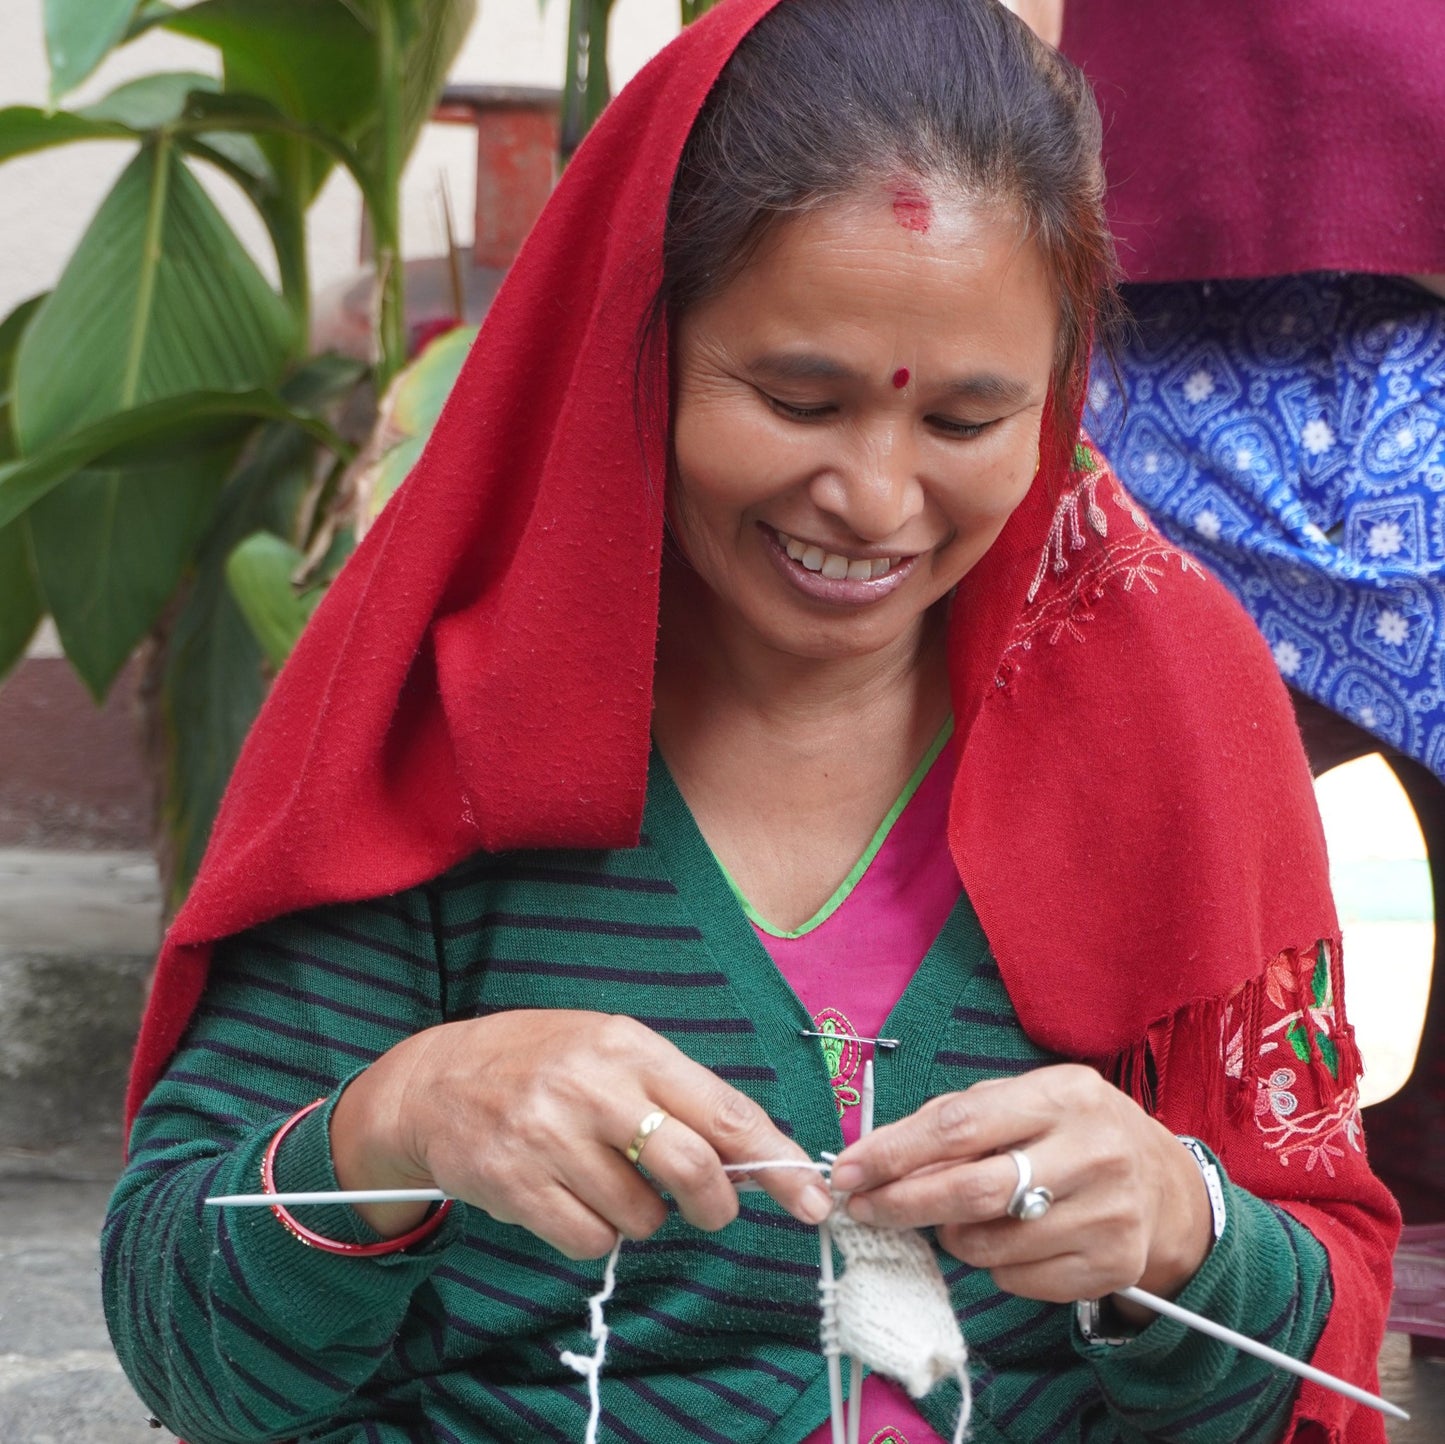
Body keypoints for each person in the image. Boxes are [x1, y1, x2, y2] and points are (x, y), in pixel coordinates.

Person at [102, 2, 1398, 1441]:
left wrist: (1182, 1232)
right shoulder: (440, 728)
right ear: (639, 346)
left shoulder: (1170, 720)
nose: (877, 498)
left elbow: (1323, 1339)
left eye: (966, 423)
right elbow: (189, 1351)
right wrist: (397, 1123)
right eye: (795, 397)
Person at [1055, 0, 1445, 1244]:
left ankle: (1412, 1179)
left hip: (1397, 343)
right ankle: (1141, 1173)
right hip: (1145, 338)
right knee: (1104, 791)